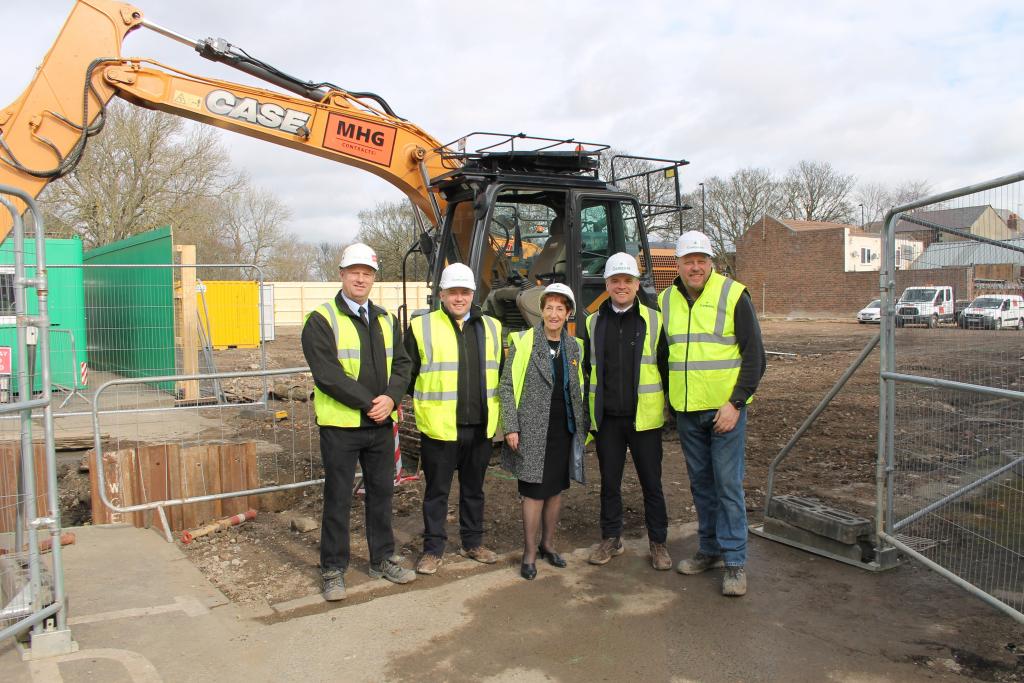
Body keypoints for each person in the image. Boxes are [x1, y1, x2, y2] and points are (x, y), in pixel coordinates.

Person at [301, 243, 415, 601]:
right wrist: (371, 403)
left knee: (381, 495)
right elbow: (327, 375)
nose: (361, 278)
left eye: (367, 273)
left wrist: (392, 398)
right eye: (355, 272)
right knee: (337, 498)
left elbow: (403, 365)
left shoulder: (385, 319)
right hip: (342, 427)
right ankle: (333, 568)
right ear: (342, 275)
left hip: (379, 427)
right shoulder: (321, 319)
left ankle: (382, 558)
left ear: (373, 277)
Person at [660, 231, 766, 597]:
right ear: (678, 264)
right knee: (701, 485)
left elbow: (755, 357)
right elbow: (665, 355)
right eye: (688, 260)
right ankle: (710, 549)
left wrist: (736, 403)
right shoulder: (666, 300)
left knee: (728, 485)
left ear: (711, 263)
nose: (695, 266)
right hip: (688, 413)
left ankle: (735, 561)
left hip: (725, 413)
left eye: (701, 260)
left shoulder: (733, 294)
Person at [405, 263, 503, 574]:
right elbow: (408, 375)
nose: (459, 298)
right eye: (453, 292)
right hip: (439, 428)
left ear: (473, 294)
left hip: (480, 427)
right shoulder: (422, 327)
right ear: (441, 294)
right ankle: (433, 549)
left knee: (474, 490)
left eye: (464, 292)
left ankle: (472, 543)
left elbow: (499, 373)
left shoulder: (493, 328)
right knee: (437, 492)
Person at [582, 252, 671, 571]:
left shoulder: (654, 320)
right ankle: (611, 538)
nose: (621, 286)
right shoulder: (593, 322)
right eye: (615, 281)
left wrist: (671, 411)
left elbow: (666, 367)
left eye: (627, 281)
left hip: (644, 419)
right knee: (609, 482)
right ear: (607, 284)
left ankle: (658, 542)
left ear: (637, 284)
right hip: (607, 421)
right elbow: (587, 372)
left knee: (652, 483)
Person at [498, 283, 587, 580]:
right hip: (532, 430)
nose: (553, 313)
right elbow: (507, 386)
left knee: (556, 490)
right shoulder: (524, 342)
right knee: (534, 493)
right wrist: (511, 426)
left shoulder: (574, 347)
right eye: (549, 307)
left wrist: (582, 428)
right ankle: (529, 552)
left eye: (560, 308)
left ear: (568, 313)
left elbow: (578, 390)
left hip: (563, 430)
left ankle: (548, 544)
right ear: (541, 310)